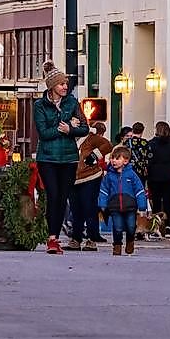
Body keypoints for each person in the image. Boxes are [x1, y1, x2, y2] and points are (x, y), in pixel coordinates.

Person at [31, 69, 90, 256]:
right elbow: (43, 133)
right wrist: (63, 127)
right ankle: (52, 237)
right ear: (52, 86)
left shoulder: (72, 103)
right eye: (61, 84)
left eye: (66, 83)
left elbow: (85, 128)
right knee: (53, 195)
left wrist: (71, 130)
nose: (65, 87)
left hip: (69, 158)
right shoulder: (40, 105)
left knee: (63, 197)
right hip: (47, 157)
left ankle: (55, 237)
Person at [70, 103, 109, 253]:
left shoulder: (91, 138)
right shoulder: (68, 138)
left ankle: (92, 239)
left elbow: (107, 146)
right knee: (75, 210)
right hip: (72, 178)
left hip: (90, 177)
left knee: (89, 208)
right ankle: (76, 239)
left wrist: (93, 157)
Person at [99, 145, 149, 255]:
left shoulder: (132, 175)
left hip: (130, 206)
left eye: (117, 158)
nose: (113, 161)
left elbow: (139, 191)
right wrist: (102, 204)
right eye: (112, 158)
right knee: (117, 227)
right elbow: (104, 191)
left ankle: (130, 241)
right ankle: (117, 245)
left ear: (125, 161)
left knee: (131, 227)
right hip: (115, 207)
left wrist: (142, 207)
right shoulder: (109, 176)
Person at [145, 119, 170, 241]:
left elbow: (147, 161)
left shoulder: (151, 144)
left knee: (156, 203)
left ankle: (155, 228)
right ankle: (168, 228)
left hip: (155, 176)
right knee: (168, 203)